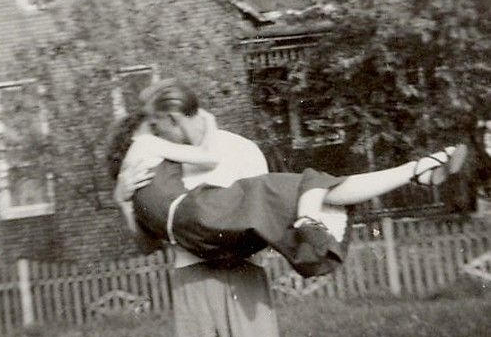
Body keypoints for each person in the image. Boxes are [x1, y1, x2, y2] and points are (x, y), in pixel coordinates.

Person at [109, 86, 468, 279]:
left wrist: (123, 200)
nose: (158, 133)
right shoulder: (148, 146)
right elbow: (209, 156)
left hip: (201, 234)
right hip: (199, 219)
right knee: (303, 187)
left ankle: (417, 170)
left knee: (305, 192)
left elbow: (149, 241)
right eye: (153, 126)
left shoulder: (137, 180)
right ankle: (413, 171)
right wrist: (208, 120)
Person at [113, 79, 292, 337]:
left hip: (243, 278)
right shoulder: (157, 163)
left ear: (174, 119)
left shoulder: (241, 150)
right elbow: (146, 244)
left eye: (160, 126)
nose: (156, 135)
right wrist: (124, 202)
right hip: (191, 283)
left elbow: (264, 223)